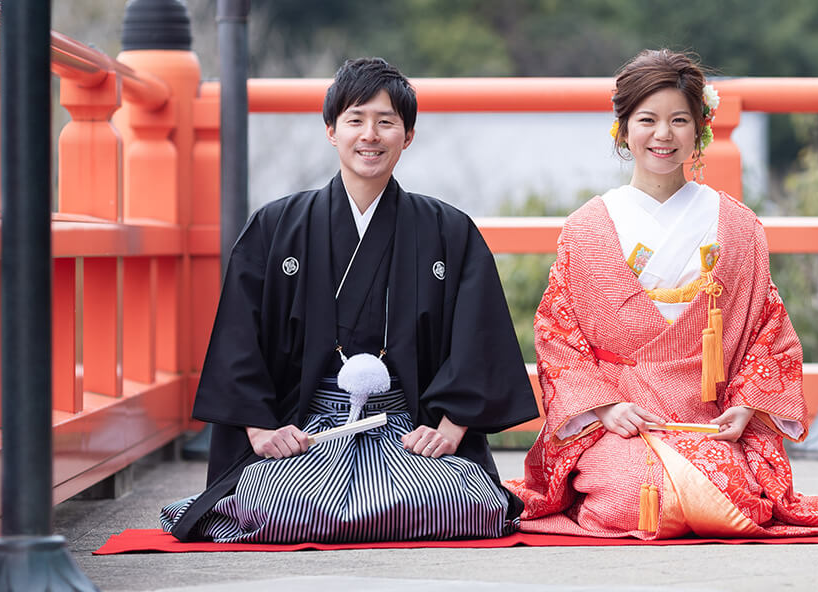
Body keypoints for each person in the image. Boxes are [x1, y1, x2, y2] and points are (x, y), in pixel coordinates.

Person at [507, 49, 818, 538]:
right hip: (622, 420)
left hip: (706, 417)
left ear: (699, 129)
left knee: (738, 497)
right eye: (647, 119)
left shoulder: (737, 225)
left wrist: (748, 405)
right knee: (627, 499)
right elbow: (558, 332)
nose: (663, 135)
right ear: (623, 129)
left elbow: (766, 331)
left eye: (679, 120)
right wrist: (604, 407)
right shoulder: (587, 229)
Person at [162, 57, 538, 543]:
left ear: (408, 136)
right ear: (331, 131)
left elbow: (479, 336)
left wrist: (451, 425)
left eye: (386, 123)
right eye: (356, 120)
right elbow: (240, 335)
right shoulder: (277, 227)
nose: (370, 135)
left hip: (406, 429)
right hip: (310, 429)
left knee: (460, 503)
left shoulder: (447, 230)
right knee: (276, 500)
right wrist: (260, 430)